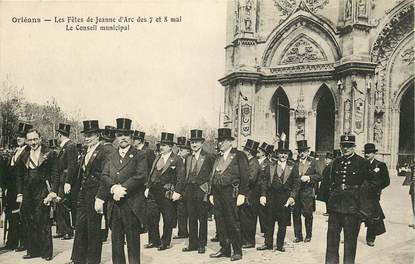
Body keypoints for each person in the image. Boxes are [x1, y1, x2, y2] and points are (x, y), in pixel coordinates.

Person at [96, 118, 148, 264]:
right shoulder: (111, 156)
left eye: (126, 134)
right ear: (116, 137)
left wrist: (123, 189)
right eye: (120, 134)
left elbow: (141, 176)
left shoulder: (139, 154)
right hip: (114, 206)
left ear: (131, 137)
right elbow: (104, 175)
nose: (123, 137)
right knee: (116, 244)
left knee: (133, 244)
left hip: (131, 205)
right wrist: (113, 188)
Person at [325, 134, 369, 264]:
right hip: (336, 206)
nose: (346, 149)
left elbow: (372, 182)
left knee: (350, 240)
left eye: (349, 146)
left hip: (352, 207)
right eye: (343, 146)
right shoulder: (336, 162)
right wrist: (331, 196)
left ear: (354, 147)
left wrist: (360, 197)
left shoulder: (362, 162)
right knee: (332, 238)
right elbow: (329, 180)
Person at [16, 128, 59, 261]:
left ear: (40, 138)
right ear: (27, 141)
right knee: (30, 220)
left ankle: (46, 252)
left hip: (42, 190)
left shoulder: (49, 153)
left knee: (43, 220)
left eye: (35, 139)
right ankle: (32, 250)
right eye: (30, 140)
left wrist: (53, 191)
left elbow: (55, 174)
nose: (33, 142)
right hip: (28, 190)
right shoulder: (24, 154)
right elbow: (19, 175)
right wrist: (19, 193)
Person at [68, 120, 107, 264]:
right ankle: (78, 259)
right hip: (84, 192)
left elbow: (105, 175)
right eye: (86, 135)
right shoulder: (86, 151)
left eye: (90, 135)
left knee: (93, 228)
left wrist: (100, 197)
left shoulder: (103, 151)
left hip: (95, 193)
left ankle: (93, 260)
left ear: (97, 135)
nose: (87, 138)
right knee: (80, 225)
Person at [208, 128, 249, 261]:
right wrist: (211, 193)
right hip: (218, 194)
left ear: (230, 142)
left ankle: (237, 251)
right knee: (220, 222)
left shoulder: (239, 155)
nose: (220, 143)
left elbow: (245, 176)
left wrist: (243, 193)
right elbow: (212, 176)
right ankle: (225, 248)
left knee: (233, 222)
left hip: (231, 193)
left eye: (224, 141)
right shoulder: (218, 157)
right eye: (219, 141)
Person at [144, 132, 185, 250]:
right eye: (161, 144)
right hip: (153, 191)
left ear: (171, 147)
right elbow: (151, 173)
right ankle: (154, 240)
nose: (162, 147)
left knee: (167, 217)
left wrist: (177, 191)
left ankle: (165, 242)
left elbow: (180, 177)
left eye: (165, 145)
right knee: (152, 216)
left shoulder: (177, 159)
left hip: (166, 192)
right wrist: (147, 187)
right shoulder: (157, 157)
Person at [257, 142, 299, 252]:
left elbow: (296, 183)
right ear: (277, 153)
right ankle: (268, 244)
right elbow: (264, 181)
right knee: (269, 221)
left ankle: (280, 245)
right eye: (281, 153)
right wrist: (263, 195)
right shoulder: (270, 165)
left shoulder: (293, 166)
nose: (283, 156)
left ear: (288, 154)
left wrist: (292, 197)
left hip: (284, 198)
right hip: (271, 197)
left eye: (285, 153)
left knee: (282, 222)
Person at [178, 129, 215, 254]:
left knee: (202, 218)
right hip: (189, 190)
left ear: (202, 143)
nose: (194, 144)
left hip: (201, 190)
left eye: (197, 142)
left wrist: (208, 190)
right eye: (192, 142)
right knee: (191, 218)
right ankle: (192, 244)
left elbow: (212, 174)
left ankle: (201, 244)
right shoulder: (187, 157)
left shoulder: (209, 156)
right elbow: (184, 175)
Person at [0, 123, 31, 252]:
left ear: (27, 138)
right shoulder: (16, 151)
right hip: (11, 190)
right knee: (11, 215)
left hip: (21, 189)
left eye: (22, 136)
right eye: (18, 136)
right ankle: (11, 241)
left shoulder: (28, 151)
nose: (19, 138)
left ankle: (23, 242)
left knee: (21, 216)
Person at [360, 143, 390, 247]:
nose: (367, 155)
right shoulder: (361, 164)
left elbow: (386, 181)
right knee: (356, 217)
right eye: (366, 153)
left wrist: (378, 188)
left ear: (374, 153)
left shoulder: (380, 165)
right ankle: (350, 237)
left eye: (369, 153)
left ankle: (370, 239)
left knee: (372, 218)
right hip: (361, 194)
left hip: (373, 196)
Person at [293, 140, 321, 243]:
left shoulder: (313, 162)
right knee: (296, 214)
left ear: (308, 152)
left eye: (304, 151)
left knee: (308, 214)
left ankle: (308, 235)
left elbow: (319, 176)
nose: (302, 153)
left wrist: (309, 177)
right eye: (300, 151)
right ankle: (298, 236)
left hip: (308, 192)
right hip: (296, 192)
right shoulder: (294, 163)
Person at [54, 123, 78, 241]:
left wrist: (68, 182)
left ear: (60, 135)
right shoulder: (65, 146)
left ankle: (68, 230)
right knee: (59, 204)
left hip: (65, 180)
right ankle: (63, 229)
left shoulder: (70, 146)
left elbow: (72, 165)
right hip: (61, 179)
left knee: (63, 203)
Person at [240, 139, 261, 248]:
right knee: (245, 218)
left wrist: (240, 180)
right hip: (248, 194)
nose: (243, 151)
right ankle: (245, 240)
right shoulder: (250, 161)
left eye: (245, 149)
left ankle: (249, 241)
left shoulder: (254, 163)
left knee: (249, 219)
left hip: (251, 196)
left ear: (248, 151)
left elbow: (251, 179)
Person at [99, 125, 117, 242]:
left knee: (102, 211)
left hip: (102, 183)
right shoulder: (115, 150)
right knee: (111, 211)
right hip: (113, 183)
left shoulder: (101, 150)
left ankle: (102, 234)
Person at [174, 136, 190, 239]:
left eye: (181, 150)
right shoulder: (179, 160)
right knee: (181, 211)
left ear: (188, 150)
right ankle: (182, 232)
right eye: (179, 149)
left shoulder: (190, 159)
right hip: (181, 190)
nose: (179, 152)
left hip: (190, 190)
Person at [256, 142, 273, 235]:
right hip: (255, 190)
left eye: (260, 150)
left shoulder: (268, 163)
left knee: (264, 212)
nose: (258, 151)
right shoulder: (256, 161)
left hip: (264, 191)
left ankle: (266, 230)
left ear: (264, 152)